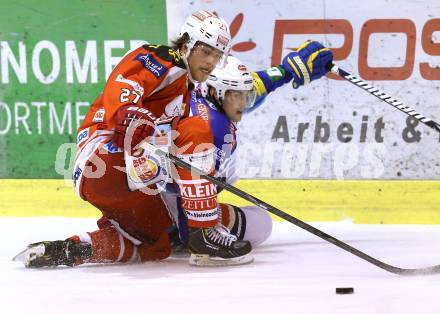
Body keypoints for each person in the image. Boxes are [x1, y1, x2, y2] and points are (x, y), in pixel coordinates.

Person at [14, 40, 333, 267]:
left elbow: (247, 90)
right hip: (146, 187)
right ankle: (201, 236)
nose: (245, 102)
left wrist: (287, 72)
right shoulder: (208, 124)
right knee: (260, 223)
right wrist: (195, 230)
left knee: (152, 246)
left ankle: (78, 248)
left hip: (119, 183)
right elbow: (184, 191)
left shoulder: (193, 97)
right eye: (239, 96)